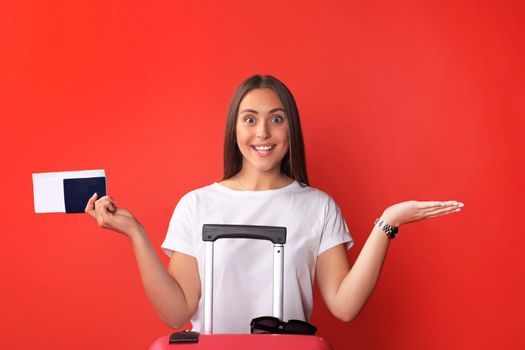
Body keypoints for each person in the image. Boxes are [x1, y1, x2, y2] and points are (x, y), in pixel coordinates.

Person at [85, 75, 463, 334]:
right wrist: (135, 233)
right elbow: (177, 312)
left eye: (275, 119)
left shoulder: (318, 207)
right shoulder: (196, 205)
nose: (262, 133)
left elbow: (345, 306)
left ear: (290, 129)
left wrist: (387, 223)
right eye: (250, 120)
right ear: (235, 129)